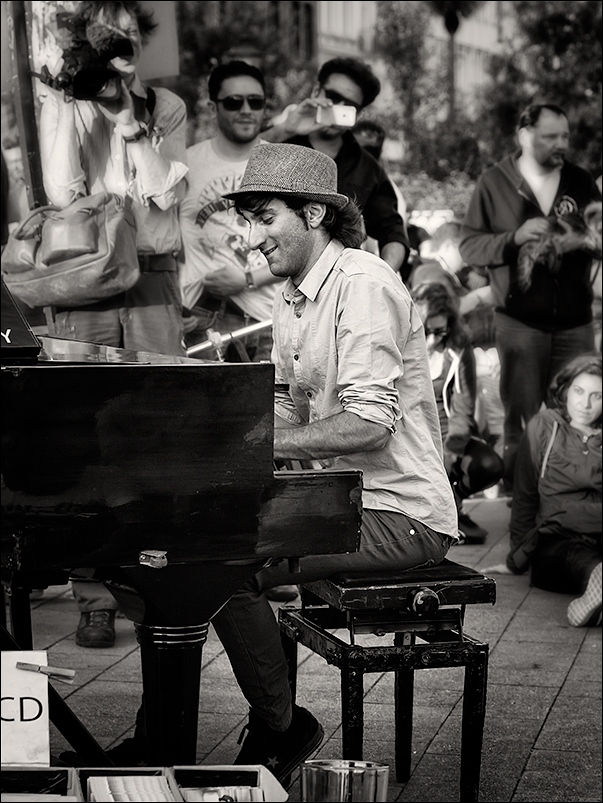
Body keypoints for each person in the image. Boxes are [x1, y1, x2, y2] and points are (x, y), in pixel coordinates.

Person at [73, 142, 459, 775]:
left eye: (265, 217)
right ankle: (169, 737)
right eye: (247, 220)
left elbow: (368, 425)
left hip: (400, 512)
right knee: (165, 537)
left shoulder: (363, 283)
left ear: (314, 215)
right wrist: (203, 429)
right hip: (337, 498)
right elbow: (285, 408)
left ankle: (279, 727)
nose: (251, 239)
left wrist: (248, 446)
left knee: (216, 563)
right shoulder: (293, 293)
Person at [38, 0, 188, 648]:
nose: (113, 49)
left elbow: (165, 195)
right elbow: (62, 193)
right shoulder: (61, 102)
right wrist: (73, 102)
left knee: (158, 435)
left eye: (123, 36)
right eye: (101, 36)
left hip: (152, 277)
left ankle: (153, 578)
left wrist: (128, 122)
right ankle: (92, 594)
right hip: (85, 282)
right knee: (84, 440)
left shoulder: (164, 107)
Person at [460, 103, 602, 492]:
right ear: (524, 135)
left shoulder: (579, 179)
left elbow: (598, 234)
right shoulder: (494, 181)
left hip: (575, 321)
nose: (562, 144)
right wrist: (515, 238)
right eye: (550, 136)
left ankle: (571, 494)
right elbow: (470, 247)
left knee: (581, 412)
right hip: (519, 322)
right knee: (520, 418)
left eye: (565, 136)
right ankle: (518, 497)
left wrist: (583, 239)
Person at [484, 353, 602, 627]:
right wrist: (516, 560)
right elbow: (524, 495)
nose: (584, 404)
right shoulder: (544, 426)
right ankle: (598, 580)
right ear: (565, 390)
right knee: (576, 555)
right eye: (579, 391)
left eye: (597, 396)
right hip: (556, 541)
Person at [262, 57, 409, 274]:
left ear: (357, 114)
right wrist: (285, 130)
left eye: (349, 107)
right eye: (332, 97)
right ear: (316, 92)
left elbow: (393, 232)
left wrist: (382, 277)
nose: (337, 108)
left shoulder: (367, 168)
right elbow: (235, 162)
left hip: (337, 292)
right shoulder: (278, 143)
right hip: (269, 286)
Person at [178, 61, 282, 361]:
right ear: (213, 108)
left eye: (256, 101)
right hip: (205, 318)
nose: (246, 110)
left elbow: (302, 243)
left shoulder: (280, 165)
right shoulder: (187, 164)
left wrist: (249, 279)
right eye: (234, 102)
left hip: (270, 320)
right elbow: (169, 244)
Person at [411, 282, 504, 543]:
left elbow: (464, 404)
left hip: (448, 433)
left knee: (490, 465)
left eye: (439, 331)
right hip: (412, 436)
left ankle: (455, 502)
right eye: (426, 329)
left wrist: (453, 448)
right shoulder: (400, 343)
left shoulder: (459, 348)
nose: (431, 338)